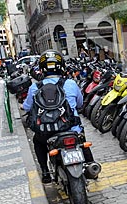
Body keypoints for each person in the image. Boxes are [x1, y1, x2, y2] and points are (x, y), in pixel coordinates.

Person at [22, 50, 100, 183]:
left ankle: (45, 172)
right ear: (61, 66)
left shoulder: (35, 87)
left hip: (46, 132)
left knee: (37, 142)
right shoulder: (71, 84)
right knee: (81, 140)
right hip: (71, 129)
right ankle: (91, 167)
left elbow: (26, 107)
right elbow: (80, 103)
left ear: (41, 69)